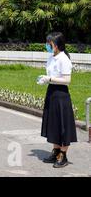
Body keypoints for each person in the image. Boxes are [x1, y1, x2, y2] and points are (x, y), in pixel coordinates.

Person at [37, 32, 77, 168]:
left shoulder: (63, 59)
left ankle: (63, 155)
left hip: (61, 95)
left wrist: (50, 79)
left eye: (50, 44)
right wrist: (45, 80)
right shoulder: (51, 58)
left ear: (57, 45)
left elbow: (67, 80)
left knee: (63, 125)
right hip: (52, 93)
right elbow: (51, 75)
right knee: (53, 124)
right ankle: (55, 150)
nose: (47, 46)